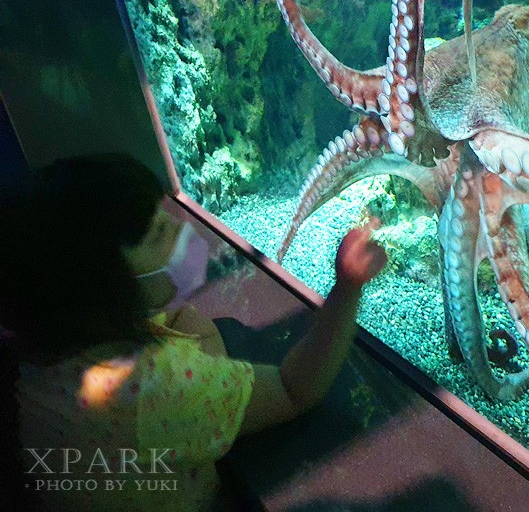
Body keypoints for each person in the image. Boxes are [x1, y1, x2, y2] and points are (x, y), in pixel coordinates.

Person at [0, 153, 387, 511]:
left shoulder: (41, 343)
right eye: (157, 235)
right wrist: (348, 288)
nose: (180, 228)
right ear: (103, 286)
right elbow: (294, 390)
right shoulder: (162, 386)